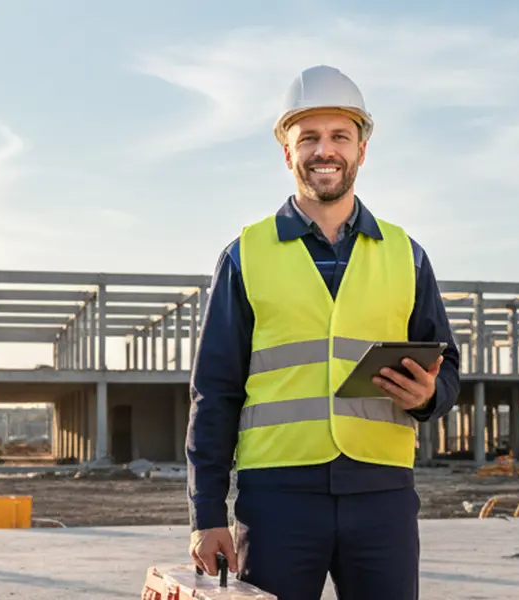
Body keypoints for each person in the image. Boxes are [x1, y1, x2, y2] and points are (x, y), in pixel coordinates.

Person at [186, 65, 461, 600]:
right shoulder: (246, 256)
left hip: (382, 495)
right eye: (307, 137)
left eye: (339, 136)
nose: (324, 150)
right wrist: (205, 513)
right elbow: (214, 393)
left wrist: (431, 395)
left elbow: (447, 366)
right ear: (287, 153)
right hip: (277, 500)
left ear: (362, 149)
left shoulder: (407, 254)